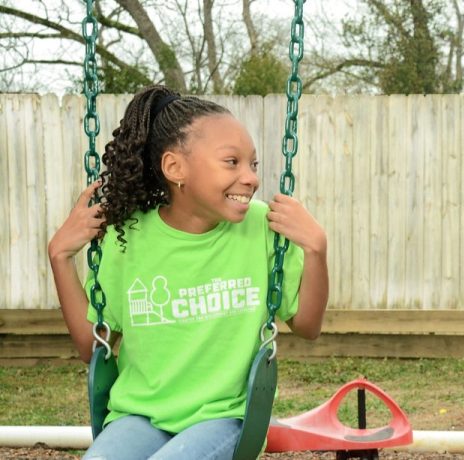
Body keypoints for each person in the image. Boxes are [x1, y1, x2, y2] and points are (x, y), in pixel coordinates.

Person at [47, 85, 329, 459]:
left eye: (253, 165)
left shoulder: (263, 226)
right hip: (139, 415)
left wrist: (316, 249)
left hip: (225, 418)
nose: (251, 178)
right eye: (232, 162)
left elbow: (308, 326)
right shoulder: (125, 237)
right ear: (175, 168)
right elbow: (92, 346)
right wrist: (60, 256)